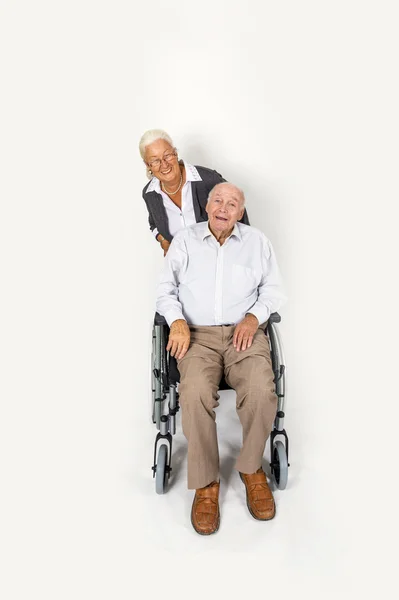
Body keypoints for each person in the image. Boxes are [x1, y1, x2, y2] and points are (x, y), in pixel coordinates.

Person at [156, 182, 286, 535]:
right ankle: (206, 482)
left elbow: (274, 291)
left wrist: (253, 317)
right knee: (194, 392)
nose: (223, 208)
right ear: (207, 206)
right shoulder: (184, 241)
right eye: (217, 200)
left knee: (261, 390)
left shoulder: (257, 242)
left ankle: (250, 469)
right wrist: (178, 322)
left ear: (240, 212)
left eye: (232, 203)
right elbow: (164, 289)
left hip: (245, 335)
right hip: (197, 336)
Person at [139, 129, 250, 255]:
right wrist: (162, 240)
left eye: (167, 155)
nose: (164, 164)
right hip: (183, 271)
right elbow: (153, 223)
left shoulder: (208, 181)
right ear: (148, 165)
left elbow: (238, 214)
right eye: (155, 160)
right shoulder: (150, 194)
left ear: (175, 153)